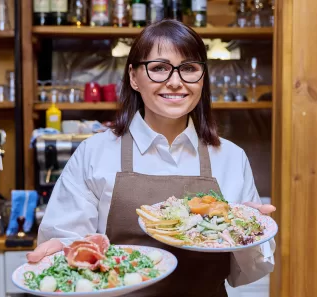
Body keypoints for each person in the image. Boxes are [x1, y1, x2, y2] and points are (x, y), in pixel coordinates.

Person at [27, 19, 276, 297]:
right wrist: (60, 252)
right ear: (134, 77)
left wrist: (249, 233)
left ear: (202, 78)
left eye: (189, 69)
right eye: (159, 68)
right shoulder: (95, 153)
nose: (175, 82)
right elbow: (67, 244)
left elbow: (247, 275)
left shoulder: (230, 157)